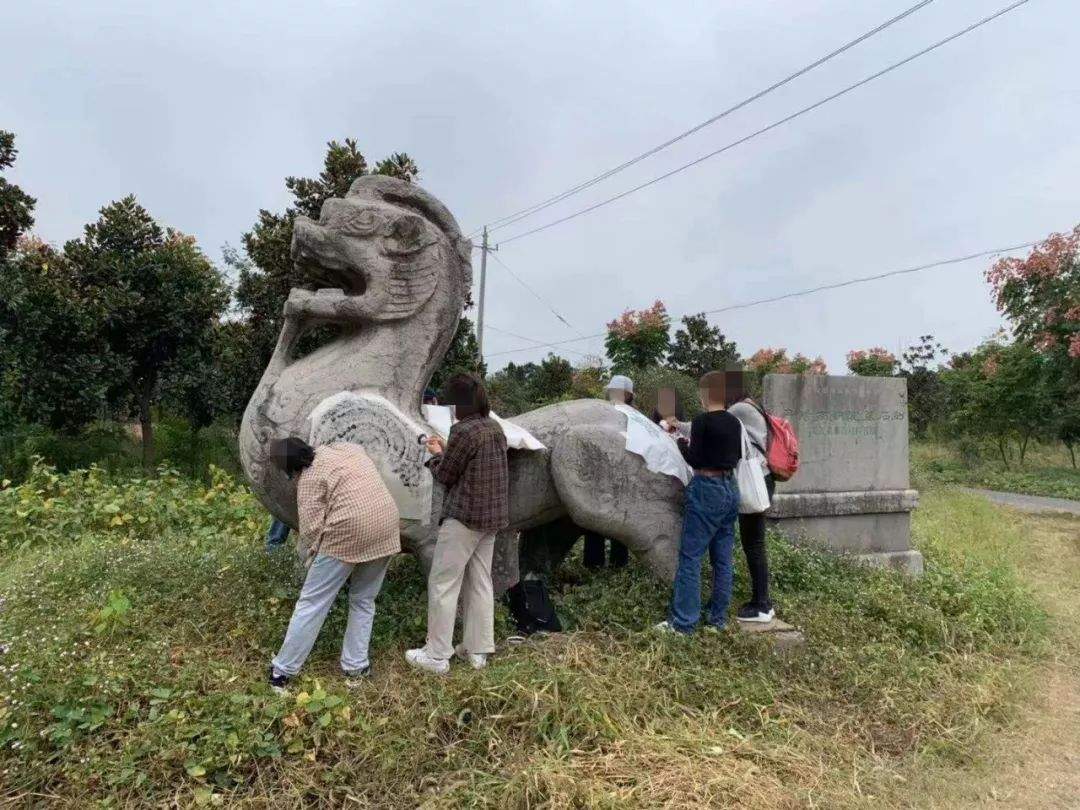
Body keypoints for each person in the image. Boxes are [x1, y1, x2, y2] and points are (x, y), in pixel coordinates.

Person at [268, 438, 401, 691]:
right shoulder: (345, 448)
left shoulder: (307, 481)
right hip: (386, 524)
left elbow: (310, 531)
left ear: (289, 469)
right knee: (363, 600)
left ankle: (282, 672)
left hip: (348, 531)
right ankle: (356, 668)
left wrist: (311, 560)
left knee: (312, 603)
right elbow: (360, 453)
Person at [406, 373, 509, 674]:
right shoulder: (494, 428)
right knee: (480, 582)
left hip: (464, 519)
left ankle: (437, 654)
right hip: (491, 520)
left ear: (458, 404)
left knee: (443, 583)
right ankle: (477, 651)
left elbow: (446, 475)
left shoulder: (463, 431)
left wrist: (436, 454)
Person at [656, 371, 742, 635]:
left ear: (705, 394)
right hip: (730, 489)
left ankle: (684, 624)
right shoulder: (734, 422)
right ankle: (717, 620)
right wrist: (679, 425)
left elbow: (693, 458)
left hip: (707, 489)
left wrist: (679, 443)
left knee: (691, 558)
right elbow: (736, 456)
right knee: (723, 560)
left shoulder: (704, 421)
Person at [728, 387, 776, 623]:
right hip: (763, 477)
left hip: (754, 480)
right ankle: (762, 601)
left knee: (754, 543)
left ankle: (762, 606)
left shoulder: (738, 409)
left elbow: (716, 427)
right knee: (754, 542)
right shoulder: (753, 406)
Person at [582, 376, 635, 569]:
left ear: (627, 395)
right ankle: (594, 564)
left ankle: (616, 564)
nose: (611, 394)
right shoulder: (600, 412)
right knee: (595, 519)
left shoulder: (633, 418)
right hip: (600, 474)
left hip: (621, 477)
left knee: (618, 523)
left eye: (615, 391)